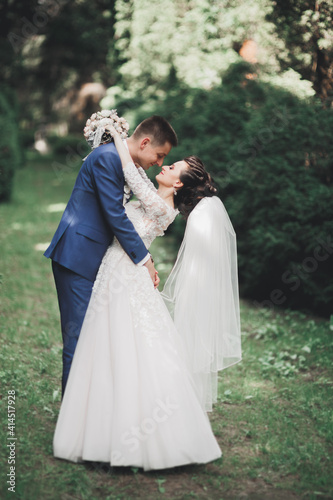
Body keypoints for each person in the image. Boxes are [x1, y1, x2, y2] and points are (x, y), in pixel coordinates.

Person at [53, 122, 242, 471]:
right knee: (105, 346)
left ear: (179, 184)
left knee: (125, 348)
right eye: (163, 158)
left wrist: (112, 130)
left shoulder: (159, 205)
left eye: (170, 166)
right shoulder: (157, 200)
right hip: (116, 270)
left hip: (124, 276)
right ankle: (96, 422)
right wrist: (114, 136)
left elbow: (131, 174)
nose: (162, 165)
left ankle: (117, 429)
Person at [44, 114, 178, 396]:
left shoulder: (122, 161)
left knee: (95, 338)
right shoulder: (107, 158)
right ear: (144, 142)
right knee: (78, 340)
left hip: (96, 258)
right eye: (160, 154)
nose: (160, 163)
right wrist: (145, 259)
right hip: (77, 256)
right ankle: (71, 421)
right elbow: (115, 215)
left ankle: (89, 411)